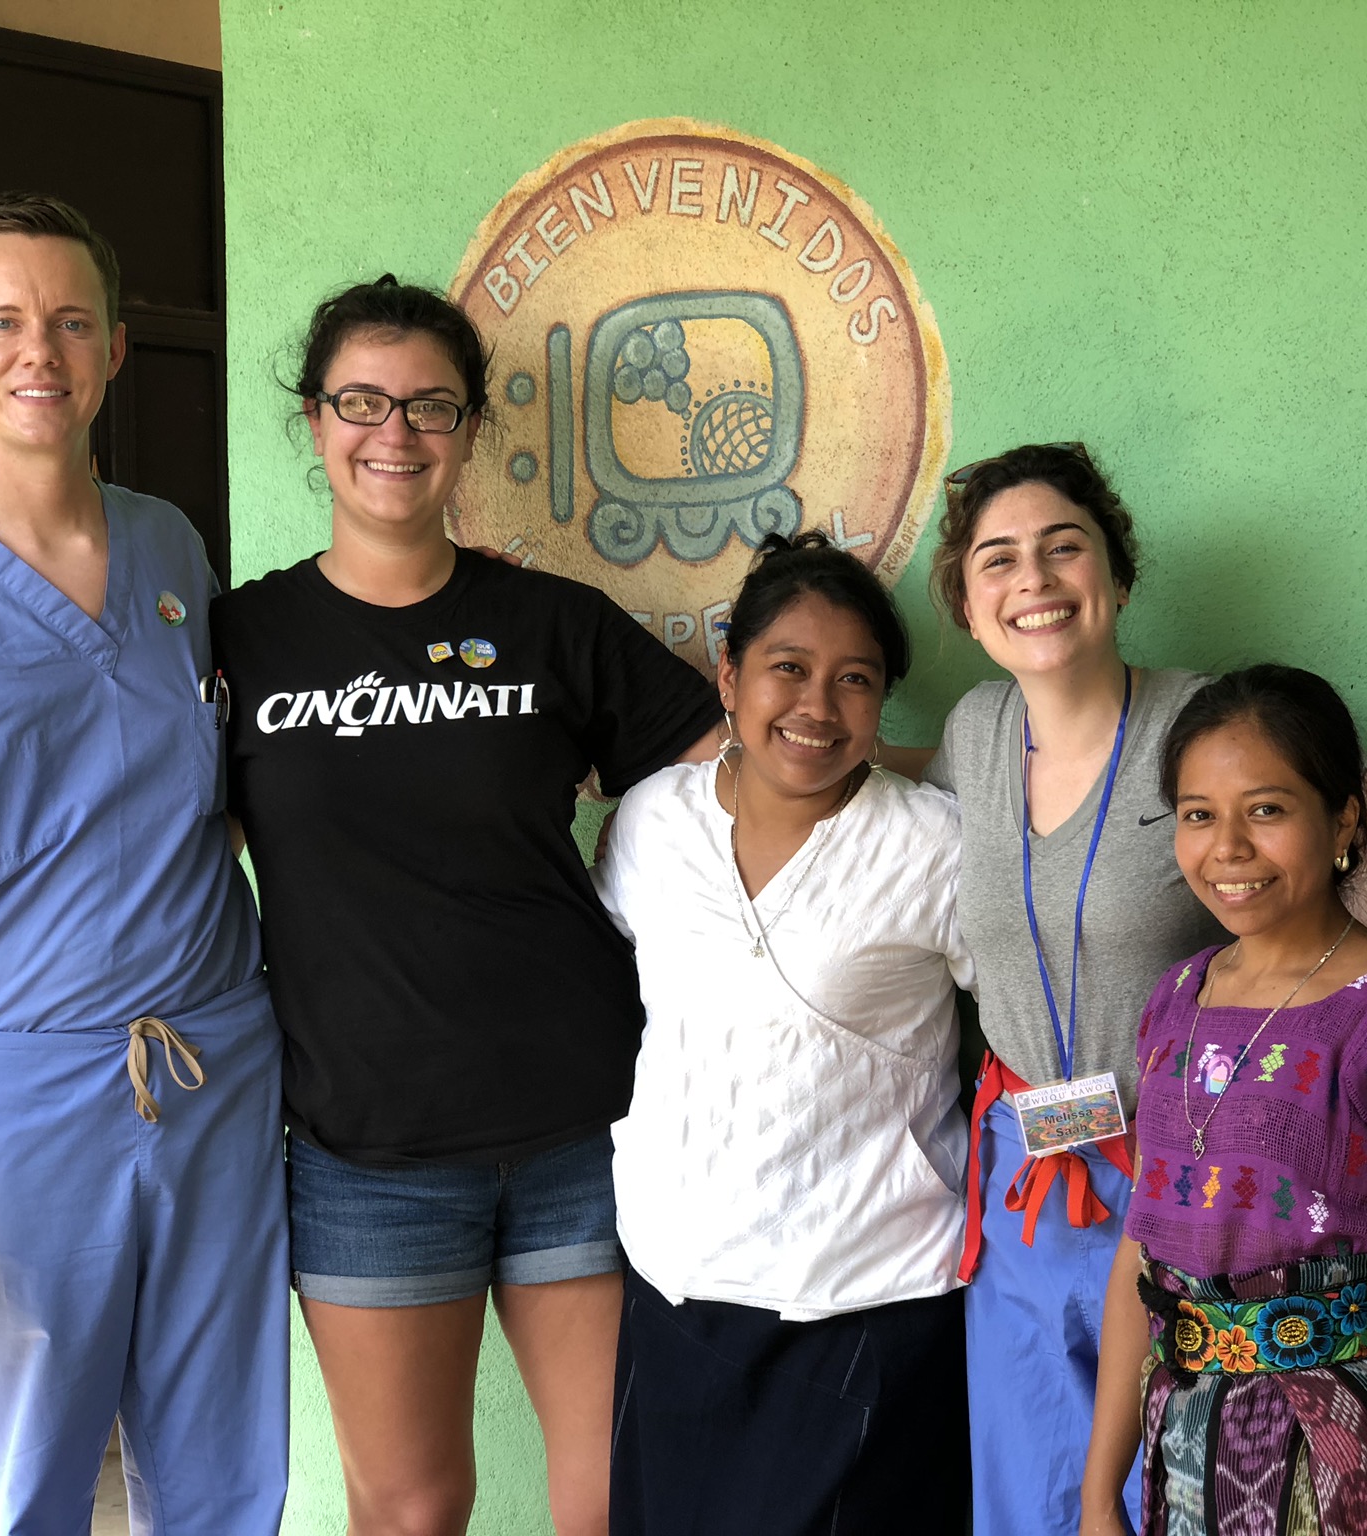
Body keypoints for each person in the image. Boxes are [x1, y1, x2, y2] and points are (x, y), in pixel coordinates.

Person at [212, 276, 722, 1536]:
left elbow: (749, 774)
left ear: (471, 428)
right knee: (411, 1508)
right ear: (315, 420)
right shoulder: (243, 640)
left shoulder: (551, 623)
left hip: (585, 1126)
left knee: (617, 1494)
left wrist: (990, 799)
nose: (395, 432)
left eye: (430, 405)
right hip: (365, 1148)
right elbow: (142, 839)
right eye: (361, 402)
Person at [0, 192, 287, 1529]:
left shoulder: (170, 548)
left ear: (117, 348)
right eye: (8, 321)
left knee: (227, 1480)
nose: (43, 350)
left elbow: (207, 800)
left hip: (215, 1069)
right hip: (22, 1098)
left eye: (73, 321)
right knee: (25, 1485)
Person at [594, 530, 973, 1535]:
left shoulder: (931, 845)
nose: (815, 706)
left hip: (870, 1298)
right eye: (787, 670)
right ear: (728, 674)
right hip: (680, 1286)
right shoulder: (651, 823)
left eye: (854, 680)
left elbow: (1027, 1017)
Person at [1082, 665, 1367, 1536]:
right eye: (1198, 814)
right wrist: (1097, 1497)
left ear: (1343, 819)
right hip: (1183, 1453)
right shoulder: (1175, 1000)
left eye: (1265, 809)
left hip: (1342, 1466)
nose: (1227, 847)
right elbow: (1137, 1265)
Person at [921, 442, 1223, 1533]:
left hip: (1175, 1174)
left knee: (1167, 1488)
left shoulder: (1202, 724)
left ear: (1116, 574)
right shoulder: (972, 734)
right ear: (965, 600)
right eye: (996, 559)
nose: (1033, 580)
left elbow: (1348, 826)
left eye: (1062, 548)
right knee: (1030, 1490)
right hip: (1021, 1184)